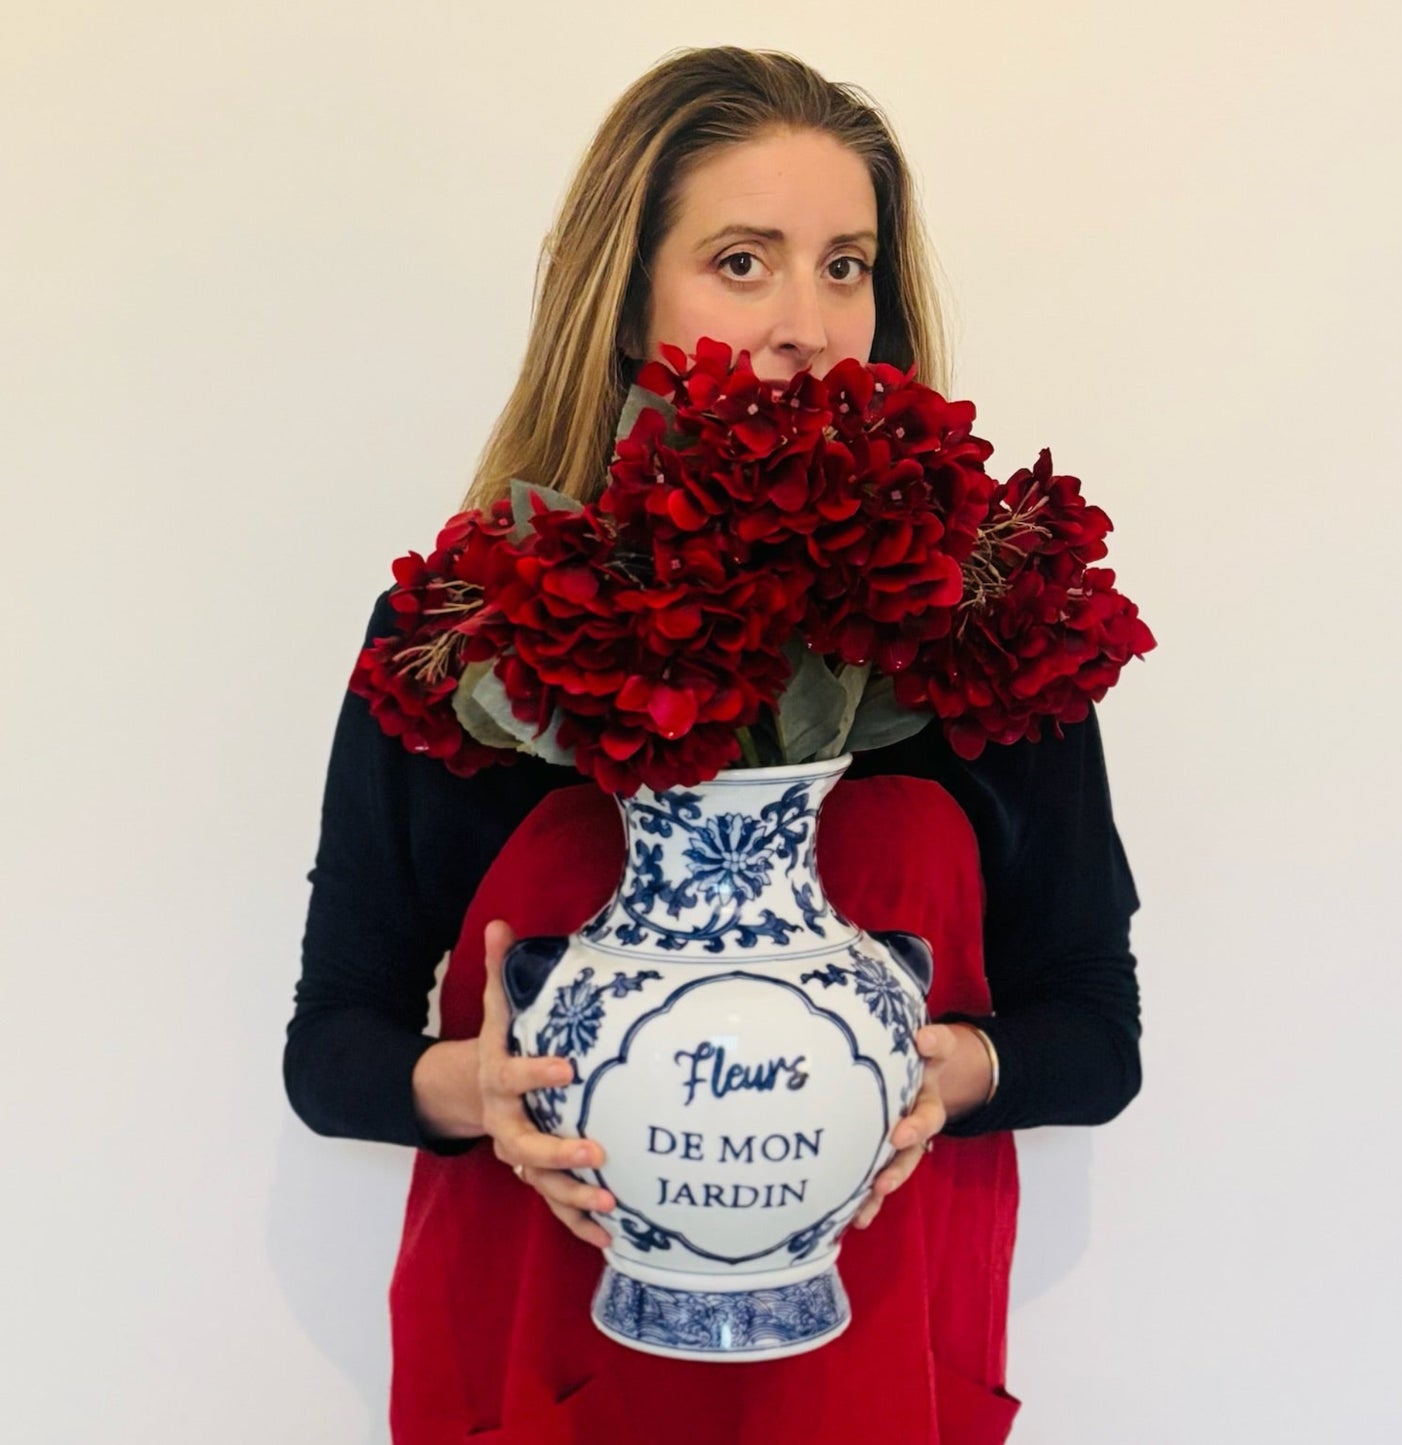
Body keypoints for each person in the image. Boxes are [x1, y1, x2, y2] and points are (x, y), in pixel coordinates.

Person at [286, 45, 1141, 1444]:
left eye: (845, 265)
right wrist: (476, 1095)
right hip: (537, 1357)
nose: (803, 322)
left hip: (879, 1364)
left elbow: (1095, 1032)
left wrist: (944, 1073)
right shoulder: (470, 622)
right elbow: (333, 1044)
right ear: (625, 301)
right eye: (741, 262)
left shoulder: (982, 625)